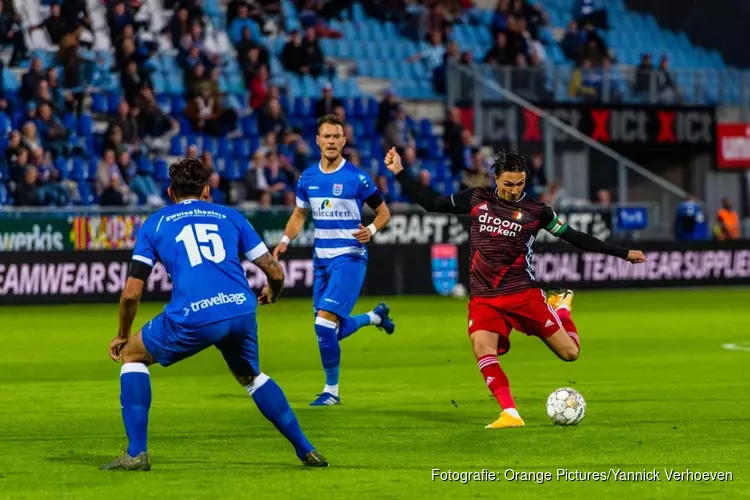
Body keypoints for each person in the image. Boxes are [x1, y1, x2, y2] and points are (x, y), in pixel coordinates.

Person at [384, 148, 647, 428]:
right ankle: (510, 413)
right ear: (495, 179)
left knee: (570, 354)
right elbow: (430, 202)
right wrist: (400, 171)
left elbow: (576, 237)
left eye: (519, 183)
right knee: (482, 346)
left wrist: (623, 252)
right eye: (508, 184)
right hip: (484, 297)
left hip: (522, 293)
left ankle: (562, 310)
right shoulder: (475, 198)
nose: (513, 190)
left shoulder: (537, 212)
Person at [101, 158, 328, 471]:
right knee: (252, 377)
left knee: (132, 357)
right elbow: (274, 271)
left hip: (195, 314)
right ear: (207, 190)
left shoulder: (155, 223)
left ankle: (137, 453)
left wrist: (123, 334)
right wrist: (272, 294)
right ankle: (306, 449)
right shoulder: (231, 216)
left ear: (170, 192)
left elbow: (130, 293)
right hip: (240, 308)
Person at [273, 114, 395, 406]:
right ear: (318, 141)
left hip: (349, 257)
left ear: (344, 140)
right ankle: (374, 317)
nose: (330, 141)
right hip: (321, 261)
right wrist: (285, 240)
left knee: (324, 326)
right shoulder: (308, 178)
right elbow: (299, 214)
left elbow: (384, 213)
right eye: (326, 136)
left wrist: (372, 230)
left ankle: (332, 391)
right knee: (330, 329)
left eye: (336, 136)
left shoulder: (357, 178)